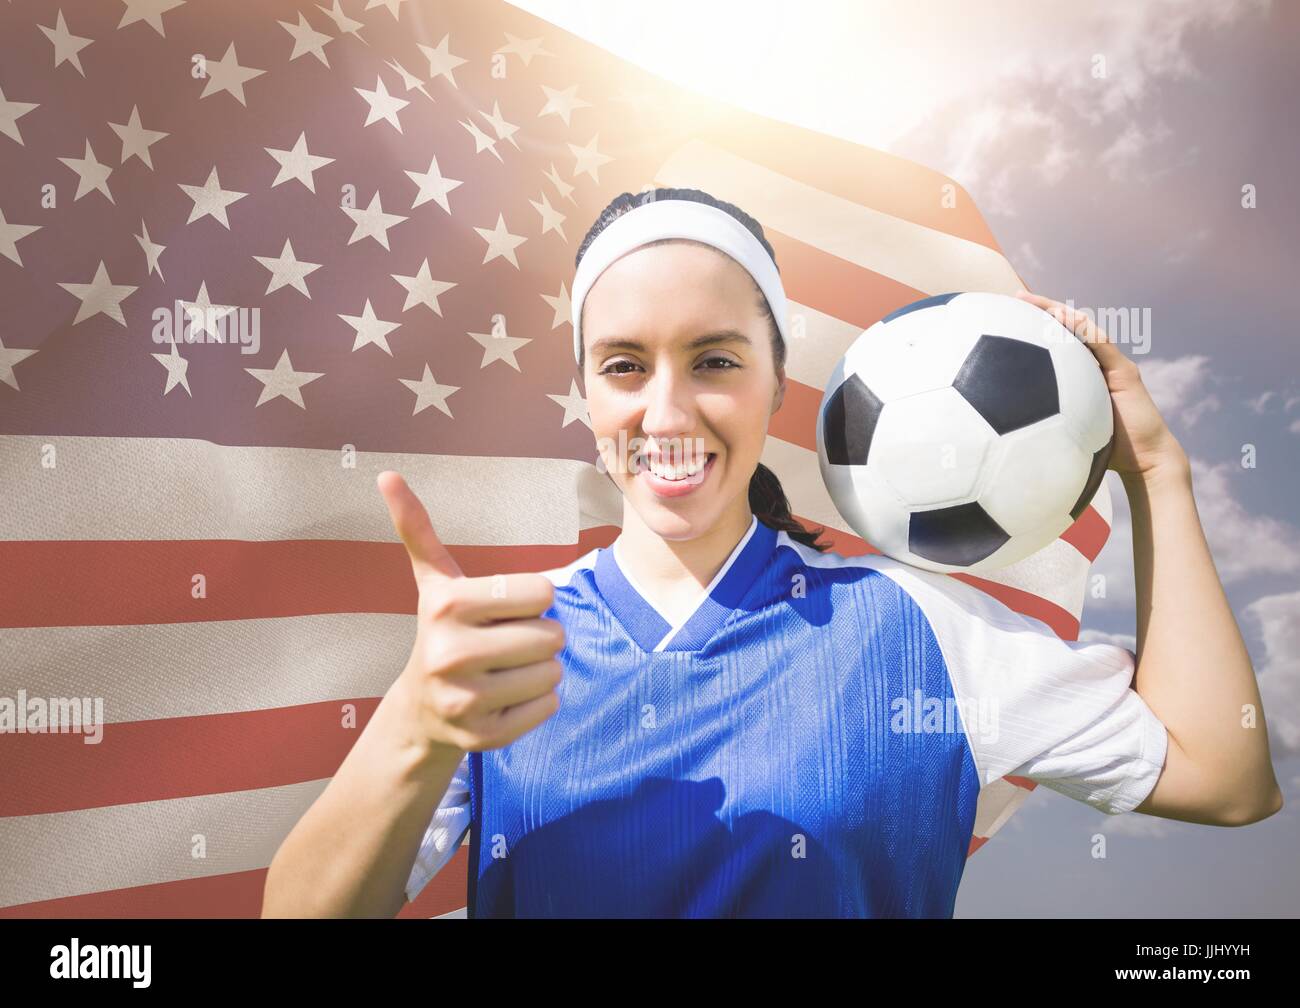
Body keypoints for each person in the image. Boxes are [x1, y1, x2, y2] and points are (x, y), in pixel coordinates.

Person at [262, 187, 1283, 919]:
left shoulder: (923, 629)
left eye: (713, 361)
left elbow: (1221, 778)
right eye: (623, 365)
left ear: (773, 383)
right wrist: (415, 725)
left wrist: (1156, 476)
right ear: (584, 395)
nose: (666, 409)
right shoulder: (497, 648)